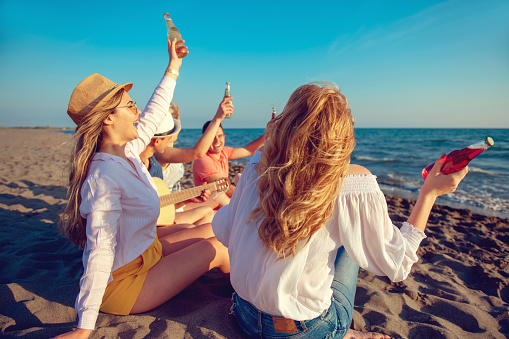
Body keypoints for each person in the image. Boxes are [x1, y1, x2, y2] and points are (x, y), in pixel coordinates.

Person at [211, 82, 467, 338]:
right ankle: (348, 334)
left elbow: (223, 230)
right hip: (302, 331)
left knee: (344, 227)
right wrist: (429, 193)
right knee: (353, 231)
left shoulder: (258, 164)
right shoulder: (353, 185)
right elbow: (398, 266)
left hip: (243, 314)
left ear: (285, 123)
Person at [55, 39, 230, 339]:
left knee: (218, 230)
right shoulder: (103, 177)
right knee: (219, 248)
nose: (138, 111)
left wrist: (173, 66)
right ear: (109, 118)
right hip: (124, 283)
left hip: (147, 254)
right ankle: (251, 308)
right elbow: (99, 251)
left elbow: (154, 110)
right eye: (130, 105)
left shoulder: (128, 152)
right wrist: (83, 328)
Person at [140, 113, 214, 226]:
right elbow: (197, 152)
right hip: (148, 229)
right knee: (202, 224)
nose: (171, 140)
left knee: (208, 215)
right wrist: (218, 117)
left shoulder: (155, 166)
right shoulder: (157, 157)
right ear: (156, 141)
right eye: (169, 136)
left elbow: (162, 207)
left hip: (164, 216)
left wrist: (187, 199)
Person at [192, 119, 266, 207]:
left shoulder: (224, 152)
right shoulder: (203, 160)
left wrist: (267, 134)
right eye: (212, 137)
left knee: (240, 176)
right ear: (205, 139)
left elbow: (249, 150)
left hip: (224, 201)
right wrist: (255, 197)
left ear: (224, 137)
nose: (217, 141)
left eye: (219, 136)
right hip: (212, 206)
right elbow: (224, 187)